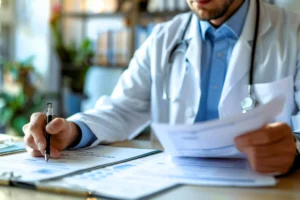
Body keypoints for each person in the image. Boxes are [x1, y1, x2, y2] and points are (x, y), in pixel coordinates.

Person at [24, 0, 300, 175]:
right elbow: (122, 107)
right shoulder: (163, 37)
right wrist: (71, 131)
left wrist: (295, 149)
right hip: (174, 187)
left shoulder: (293, 32)